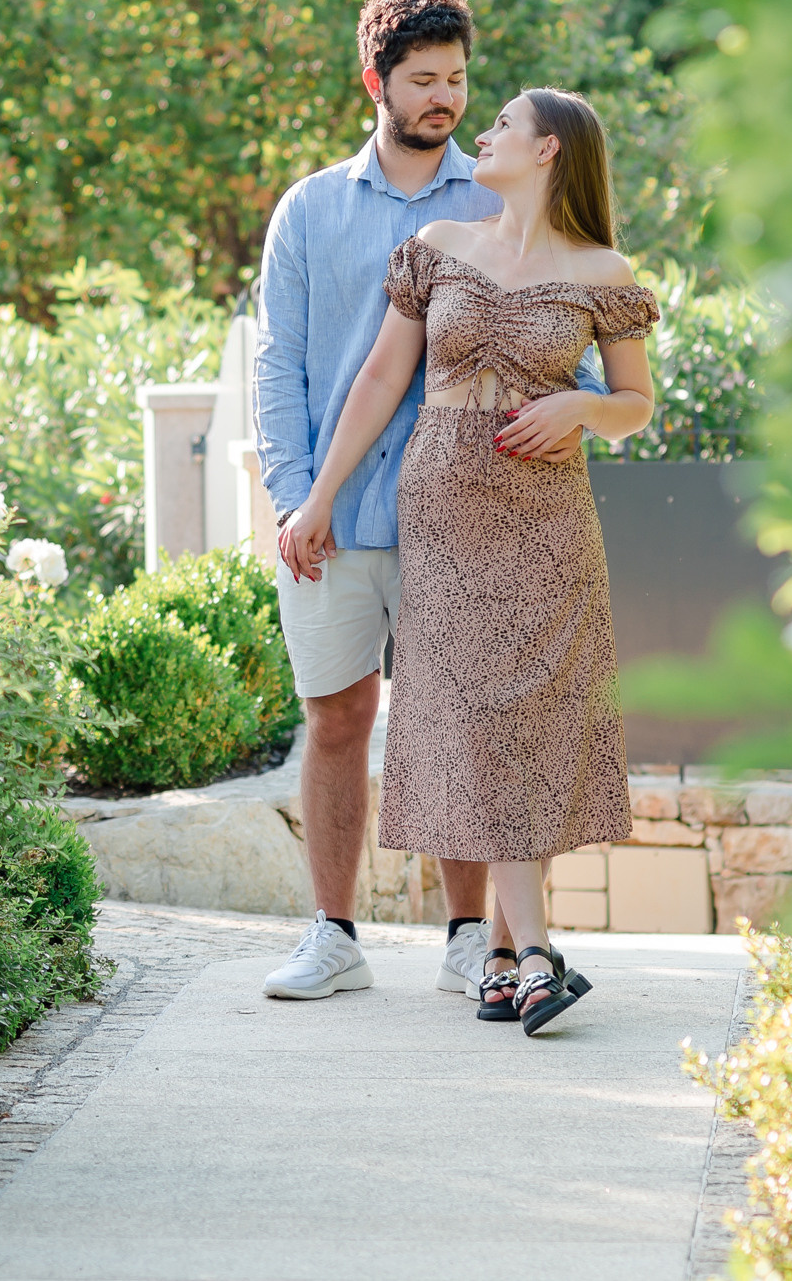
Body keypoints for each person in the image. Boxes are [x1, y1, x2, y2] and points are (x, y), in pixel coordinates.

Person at [278, 87, 658, 1034]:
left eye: (504, 125)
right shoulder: (440, 246)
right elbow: (380, 377)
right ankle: (530, 953)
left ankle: (504, 954)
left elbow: (635, 403)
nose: (482, 132)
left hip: (547, 517)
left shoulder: (603, 270)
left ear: (549, 151)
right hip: (444, 508)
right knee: (481, 716)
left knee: (530, 718)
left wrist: (582, 407)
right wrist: (318, 498)